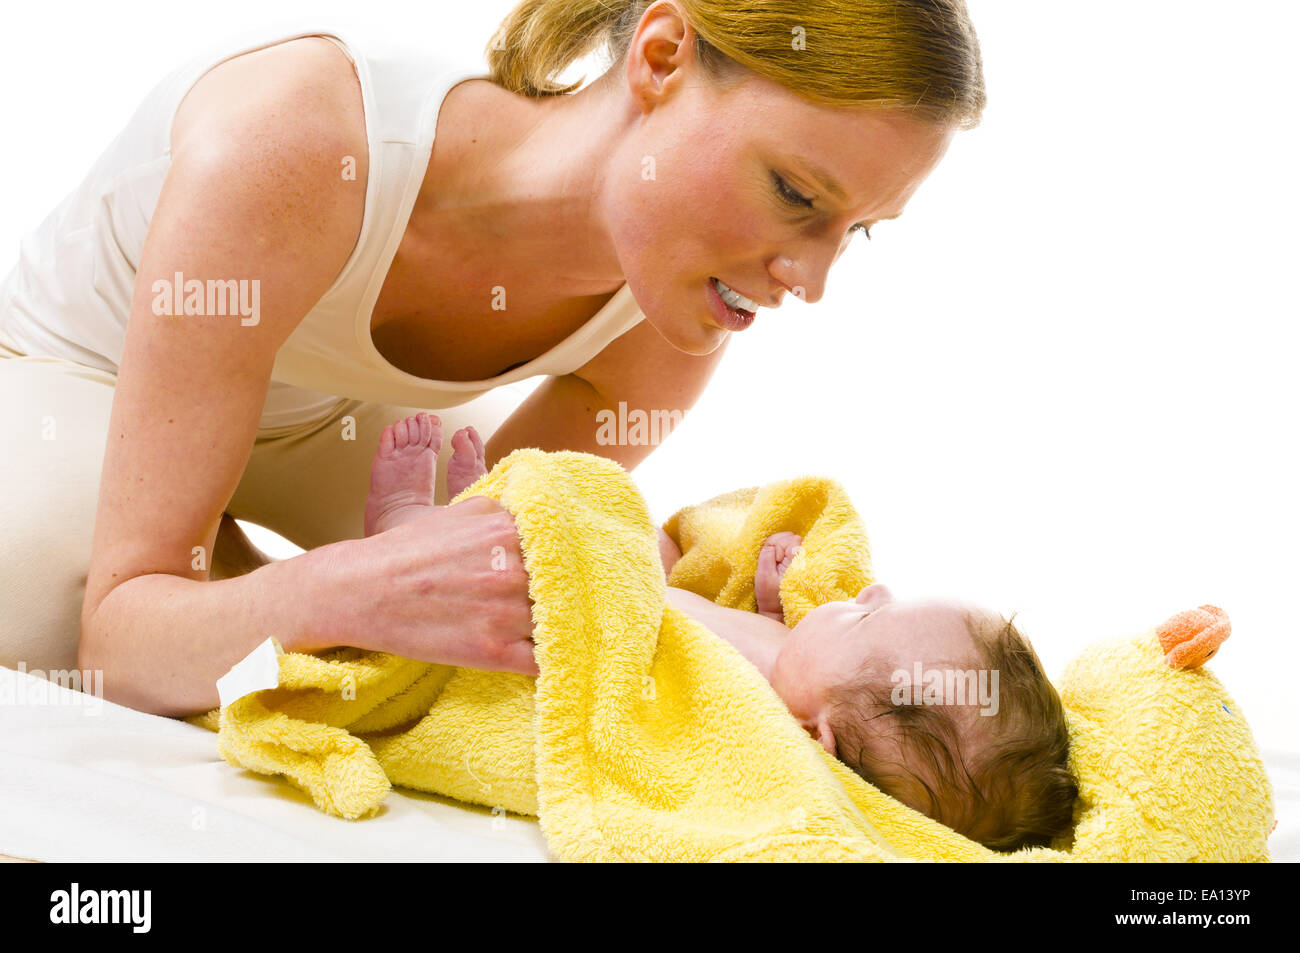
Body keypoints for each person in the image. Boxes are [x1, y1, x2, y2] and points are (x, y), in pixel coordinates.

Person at [0, 0, 986, 717]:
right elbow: (119, 646)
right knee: (68, 612)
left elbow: (545, 585)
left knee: (560, 569)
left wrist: (769, 656)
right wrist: (330, 590)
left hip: (329, 417)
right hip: (82, 382)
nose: (807, 281)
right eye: (794, 194)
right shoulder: (298, 140)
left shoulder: (671, 309)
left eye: (853, 232)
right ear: (661, 53)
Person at [364, 411, 1078, 852]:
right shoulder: (800, 675)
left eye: (865, 614)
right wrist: (769, 607)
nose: (870, 588)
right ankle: (477, 506)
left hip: (588, 616)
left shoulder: (755, 716)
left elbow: (672, 699)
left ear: (817, 738)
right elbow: (747, 628)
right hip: (643, 592)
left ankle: (405, 521)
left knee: (546, 564)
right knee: (623, 534)